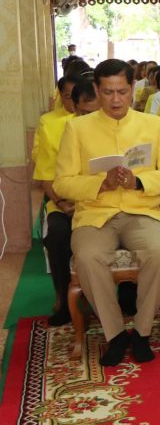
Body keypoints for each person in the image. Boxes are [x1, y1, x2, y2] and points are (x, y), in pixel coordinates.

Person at [53, 59, 160, 366]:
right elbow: (62, 182)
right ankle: (115, 333)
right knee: (87, 256)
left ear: (132, 88)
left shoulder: (153, 125)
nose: (115, 99)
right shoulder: (77, 128)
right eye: (108, 92)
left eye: (122, 92)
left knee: (159, 251)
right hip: (96, 213)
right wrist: (101, 183)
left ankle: (142, 331)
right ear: (97, 90)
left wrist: (138, 181)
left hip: (141, 210)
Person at [33, 76, 81, 325]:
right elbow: (45, 173)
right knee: (58, 234)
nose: (74, 102)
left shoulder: (99, 122)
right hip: (61, 200)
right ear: (60, 97)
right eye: (69, 96)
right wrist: (62, 203)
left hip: (97, 202)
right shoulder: (50, 124)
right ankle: (64, 299)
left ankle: (125, 297)